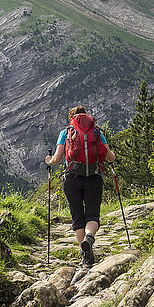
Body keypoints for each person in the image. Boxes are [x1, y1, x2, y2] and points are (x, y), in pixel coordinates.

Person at [45, 105, 115, 267]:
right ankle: (89, 237)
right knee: (92, 215)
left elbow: (57, 158)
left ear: (72, 117)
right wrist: (114, 156)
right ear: (87, 116)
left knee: (78, 217)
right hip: (94, 177)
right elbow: (110, 157)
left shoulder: (66, 132)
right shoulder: (97, 132)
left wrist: (49, 161)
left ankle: (85, 256)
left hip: (72, 179)